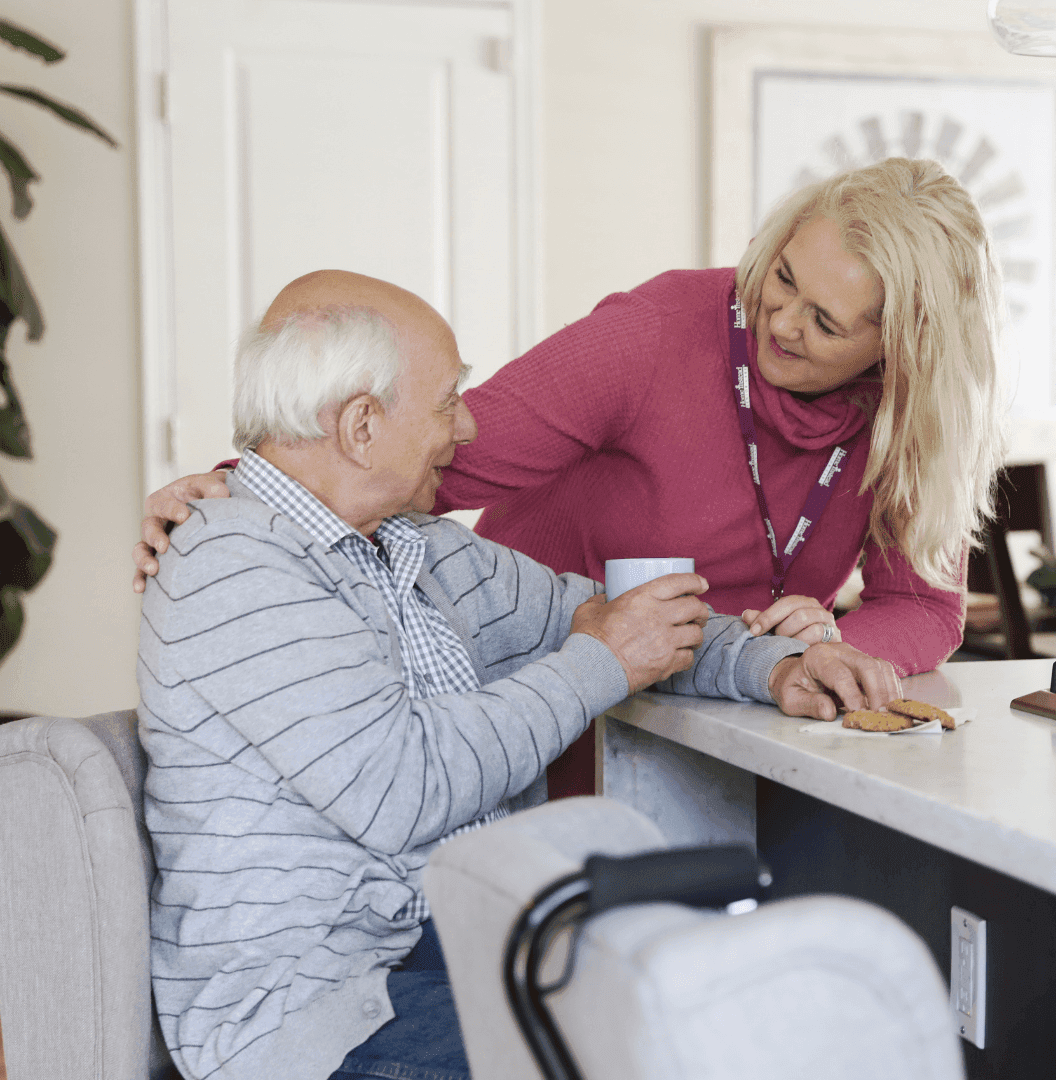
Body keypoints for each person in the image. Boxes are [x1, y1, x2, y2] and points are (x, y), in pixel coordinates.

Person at [138, 270, 900, 1080]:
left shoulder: (416, 548)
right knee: (673, 1050)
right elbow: (405, 788)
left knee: (742, 1014)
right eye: (446, 401)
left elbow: (614, 616)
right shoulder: (235, 564)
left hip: (446, 948)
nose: (467, 427)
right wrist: (603, 663)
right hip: (320, 1017)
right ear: (362, 426)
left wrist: (776, 664)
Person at [133, 157, 1006, 798]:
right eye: (781, 276)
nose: (777, 318)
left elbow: (927, 608)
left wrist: (832, 651)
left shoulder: (911, 418)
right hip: (547, 696)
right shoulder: (657, 333)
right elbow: (434, 452)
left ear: (899, 351)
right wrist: (243, 491)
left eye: (825, 320)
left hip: (734, 696)